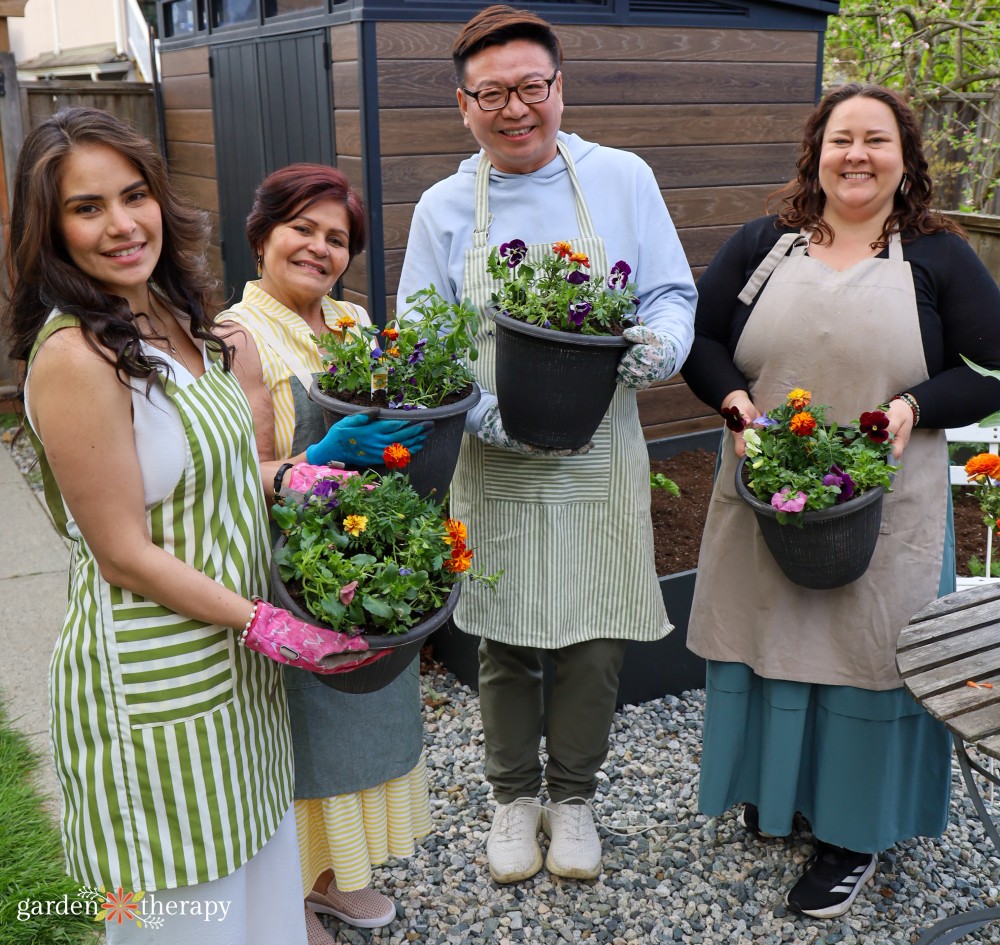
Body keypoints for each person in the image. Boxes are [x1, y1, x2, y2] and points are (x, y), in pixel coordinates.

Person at [2, 107, 391, 945]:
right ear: (51, 228)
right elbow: (125, 552)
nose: (120, 224)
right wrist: (266, 622)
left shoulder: (173, 320)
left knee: (258, 891)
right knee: (182, 920)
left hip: (235, 671)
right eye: (86, 206)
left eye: (132, 195)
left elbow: (208, 479)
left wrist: (296, 470)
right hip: (156, 680)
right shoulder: (74, 356)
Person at [680, 83, 1000, 919]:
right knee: (766, 640)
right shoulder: (764, 242)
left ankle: (854, 832)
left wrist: (914, 406)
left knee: (867, 659)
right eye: (841, 139)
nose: (856, 155)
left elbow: (992, 366)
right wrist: (734, 405)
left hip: (889, 505)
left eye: (877, 141)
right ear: (816, 152)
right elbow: (704, 341)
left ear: (905, 158)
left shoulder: (938, 255)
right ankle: (775, 794)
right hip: (765, 488)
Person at [396, 5, 697, 884]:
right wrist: (480, 412)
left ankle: (573, 797)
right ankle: (511, 798)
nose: (515, 108)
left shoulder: (622, 180)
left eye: (532, 86)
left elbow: (672, 292)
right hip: (496, 460)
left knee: (596, 636)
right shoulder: (444, 207)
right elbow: (423, 339)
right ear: (464, 104)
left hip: (601, 453)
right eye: (493, 93)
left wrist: (662, 345)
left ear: (561, 88)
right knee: (506, 639)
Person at [220, 164, 432, 941]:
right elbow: (246, 471)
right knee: (310, 732)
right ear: (262, 232)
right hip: (298, 562)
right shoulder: (235, 335)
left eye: (336, 238)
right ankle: (293, 891)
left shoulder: (354, 320)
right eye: (301, 228)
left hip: (367, 549)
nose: (317, 248)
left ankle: (339, 877)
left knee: (368, 713)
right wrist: (326, 450)